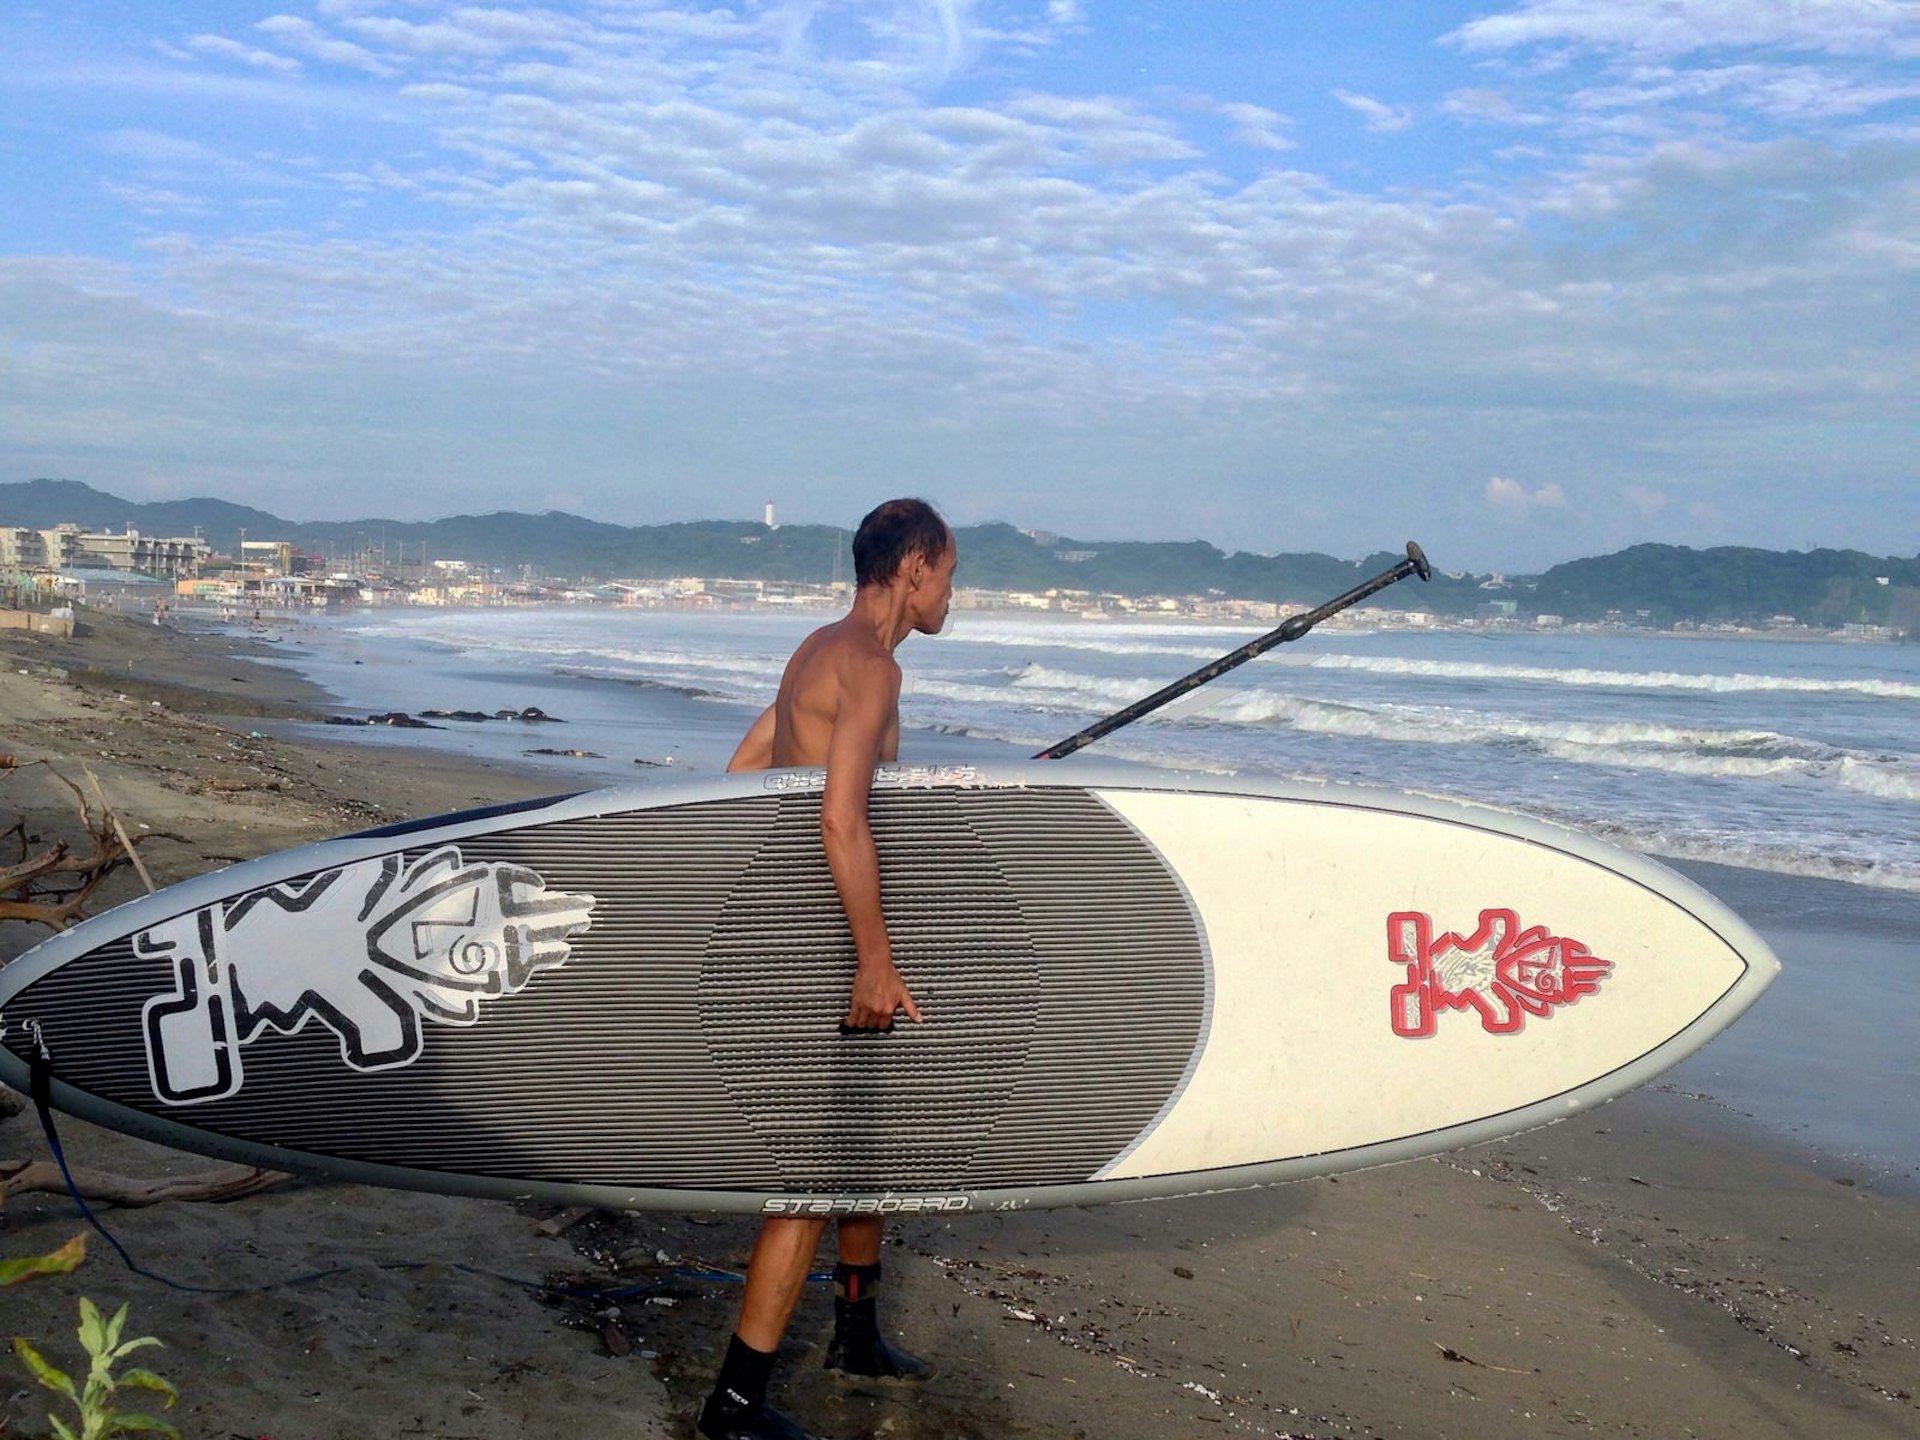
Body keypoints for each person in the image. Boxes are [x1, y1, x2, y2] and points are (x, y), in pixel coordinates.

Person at [697, 498, 957, 1440]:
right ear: (914, 566)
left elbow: (748, 767)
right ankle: (734, 1402)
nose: (951, 594)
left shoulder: (817, 651)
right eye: (949, 574)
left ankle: (853, 1327)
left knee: (864, 1140)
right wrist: (875, 959)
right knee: (807, 1176)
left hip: (803, 929)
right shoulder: (875, 668)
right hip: (827, 945)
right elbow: (839, 817)